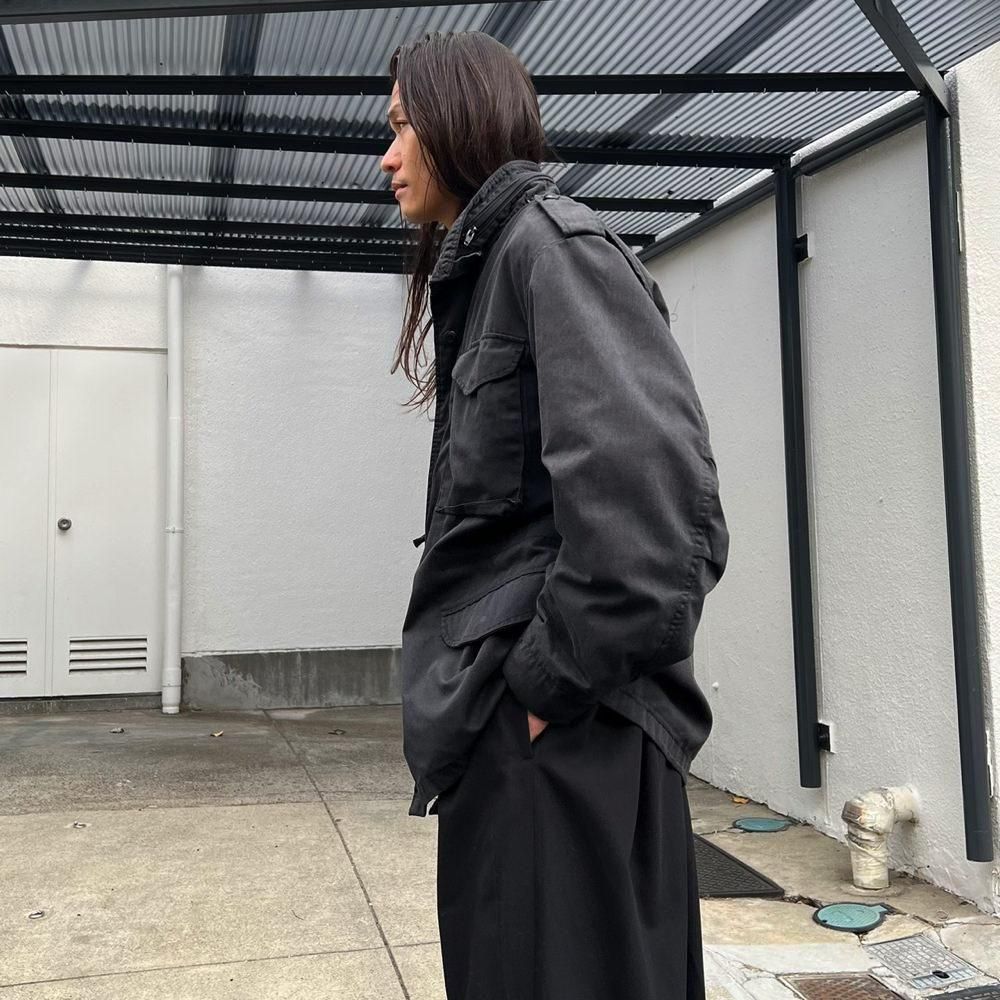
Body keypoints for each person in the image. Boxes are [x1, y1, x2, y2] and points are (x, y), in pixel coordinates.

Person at [381, 29, 729, 1000]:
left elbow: (655, 519)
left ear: (457, 120)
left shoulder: (553, 249)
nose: (387, 157)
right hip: (521, 741)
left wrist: (537, 689)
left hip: (569, 740)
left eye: (401, 128)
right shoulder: (496, 264)